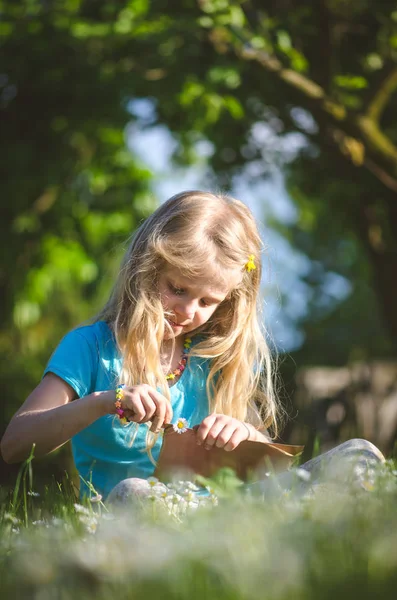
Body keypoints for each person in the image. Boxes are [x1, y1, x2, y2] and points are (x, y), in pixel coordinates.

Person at [0, 191, 384, 502]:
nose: (187, 311)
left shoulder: (213, 359)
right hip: (127, 515)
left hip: (217, 513)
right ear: (146, 269)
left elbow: (265, 466)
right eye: (177, 289)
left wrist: (243, 435)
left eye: (207, 301)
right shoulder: (90, 347)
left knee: (358, 454)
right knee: (137, 493)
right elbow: (14, 444)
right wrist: (105, 401)